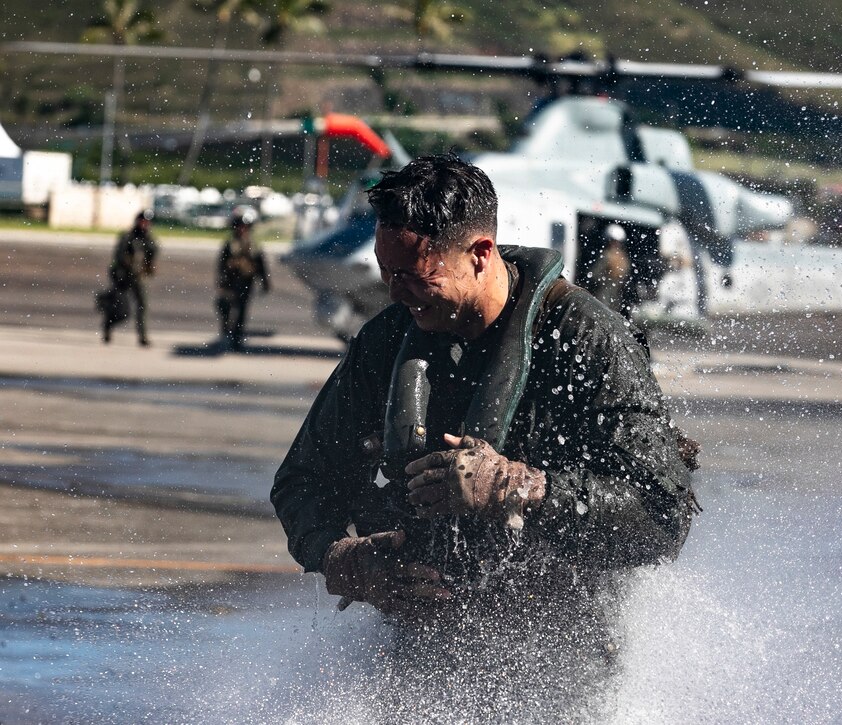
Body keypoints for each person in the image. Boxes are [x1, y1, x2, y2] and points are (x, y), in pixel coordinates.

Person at [271, 156, 695, 718]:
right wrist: (339, 555)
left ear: (480, 254)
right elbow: (302, 481)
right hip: (421, 658)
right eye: (386, 272)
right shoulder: (387, 341)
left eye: (417, 276)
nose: (396, 293)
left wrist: (521, 488)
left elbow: (665, 515)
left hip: (563, 662)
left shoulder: (589, 342)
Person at [215, 206, 270, 350]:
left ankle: (237, 338)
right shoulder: (230, 244)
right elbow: (222, 264)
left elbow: (261, 264)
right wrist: (221, 281)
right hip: (231, 282)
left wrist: (265, 282)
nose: (242, 229)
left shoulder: (254, 246)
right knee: (224, 306)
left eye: (245, 226)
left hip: (246, 282)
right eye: (239, 226)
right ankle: (227, 329)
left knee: (242, 311)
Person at [102, 209, 158, 346]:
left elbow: (152, 255)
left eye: (147, 222)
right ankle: (107, 327)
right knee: (122, 310)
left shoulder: (149, 239)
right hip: (124, 278)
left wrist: (148, 267)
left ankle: (142, 337)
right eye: (143, 221)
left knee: (142, 306)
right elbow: (119, 257)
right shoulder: (128, 237)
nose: (145, 224)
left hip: (138, 278)